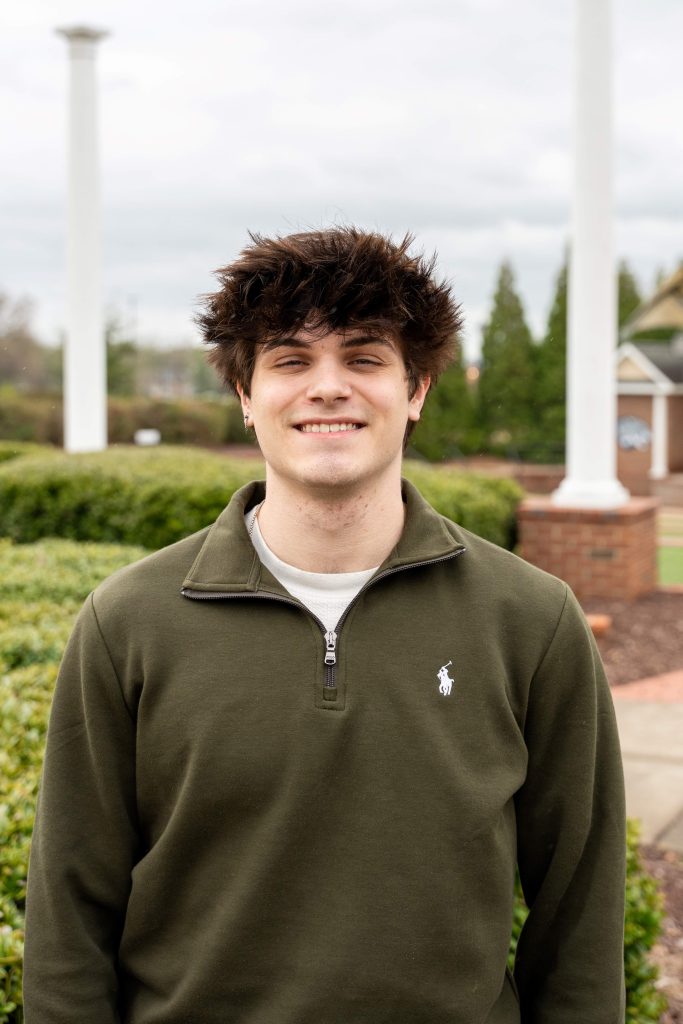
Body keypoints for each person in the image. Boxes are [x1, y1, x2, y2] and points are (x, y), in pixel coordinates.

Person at [24, 227, 626, 1023]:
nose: (328, 387)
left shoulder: (531, 620)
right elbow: (70, 910)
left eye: (364, 357)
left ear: (416, 390)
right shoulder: (129, 621)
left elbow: (579, 913)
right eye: (290, 360)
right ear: (245, 394)